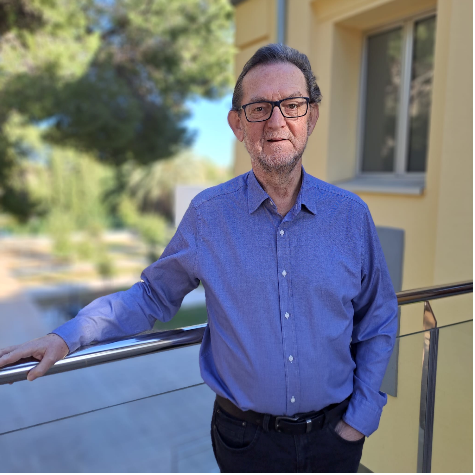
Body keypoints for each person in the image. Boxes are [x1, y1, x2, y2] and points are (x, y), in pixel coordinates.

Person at [0, 44, 398, 473]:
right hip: (245, 444)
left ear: (311, 116)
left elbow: (378, 314)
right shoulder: (208, 216)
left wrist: (360, 417)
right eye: (259, 107)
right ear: (237, 124)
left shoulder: (350, 216)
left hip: (334, 440)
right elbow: (152, 296)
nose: (277, 120)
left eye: (292, 105)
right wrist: (66, 337)